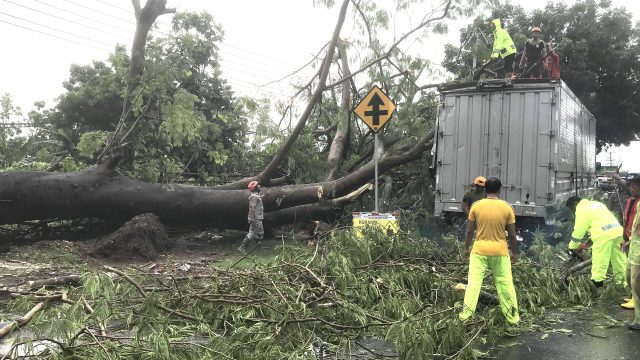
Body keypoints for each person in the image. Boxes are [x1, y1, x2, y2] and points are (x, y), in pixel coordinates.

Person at [459, 177, 519, 324]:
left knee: (473, 284)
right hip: (500, 252)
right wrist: (515, 253)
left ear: (485, 189)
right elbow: (511, 234)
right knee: (505, 284)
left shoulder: (476, 206)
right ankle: (512, 318)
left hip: (479, 251)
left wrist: (466, 248)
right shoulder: (507, 207)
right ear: (500, 190)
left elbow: (469, 231)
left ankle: (466, 316)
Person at [565, 196, 627, 287]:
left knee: (599, 261)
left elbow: (579, 230)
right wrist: (590, 241)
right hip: (618, 232)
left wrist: (572, 247)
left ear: (575, 204)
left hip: (603, 236)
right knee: (620, 260)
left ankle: (598, 287)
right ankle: (622, 284)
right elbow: (602, 221)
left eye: (571, 208)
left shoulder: (581, 209)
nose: (573, 211)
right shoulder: (597, 204)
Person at [622, 177, 640, 308]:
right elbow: (627, 220)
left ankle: (636, 299)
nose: (632, 189)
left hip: (636, 241)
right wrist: (624, 238)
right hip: (629, 239)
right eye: (631, 187)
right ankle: (632, 296)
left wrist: (631, 240)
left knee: (635, 275)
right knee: (629, 273)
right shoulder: (630, 201)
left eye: (635, 187)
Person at [238, 181, 264, 252]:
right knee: (252, 233)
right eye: (258, 185)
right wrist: (251, 218)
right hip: (255, 218)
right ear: (255, 187)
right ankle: (242, 247)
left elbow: (258, 199)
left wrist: (265, 195)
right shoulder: (254, 197)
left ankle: (258, 246)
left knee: (260, 232)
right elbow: (252, 208)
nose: (260, 186)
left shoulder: (256, 196)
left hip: (258, 217)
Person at [627, 190, 640, 330]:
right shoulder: (638, 203)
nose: (633, 188)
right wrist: (629, 240)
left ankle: (639, 321)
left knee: (637, 285)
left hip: (638, 253)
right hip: (634, 249)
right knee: (631, 280)